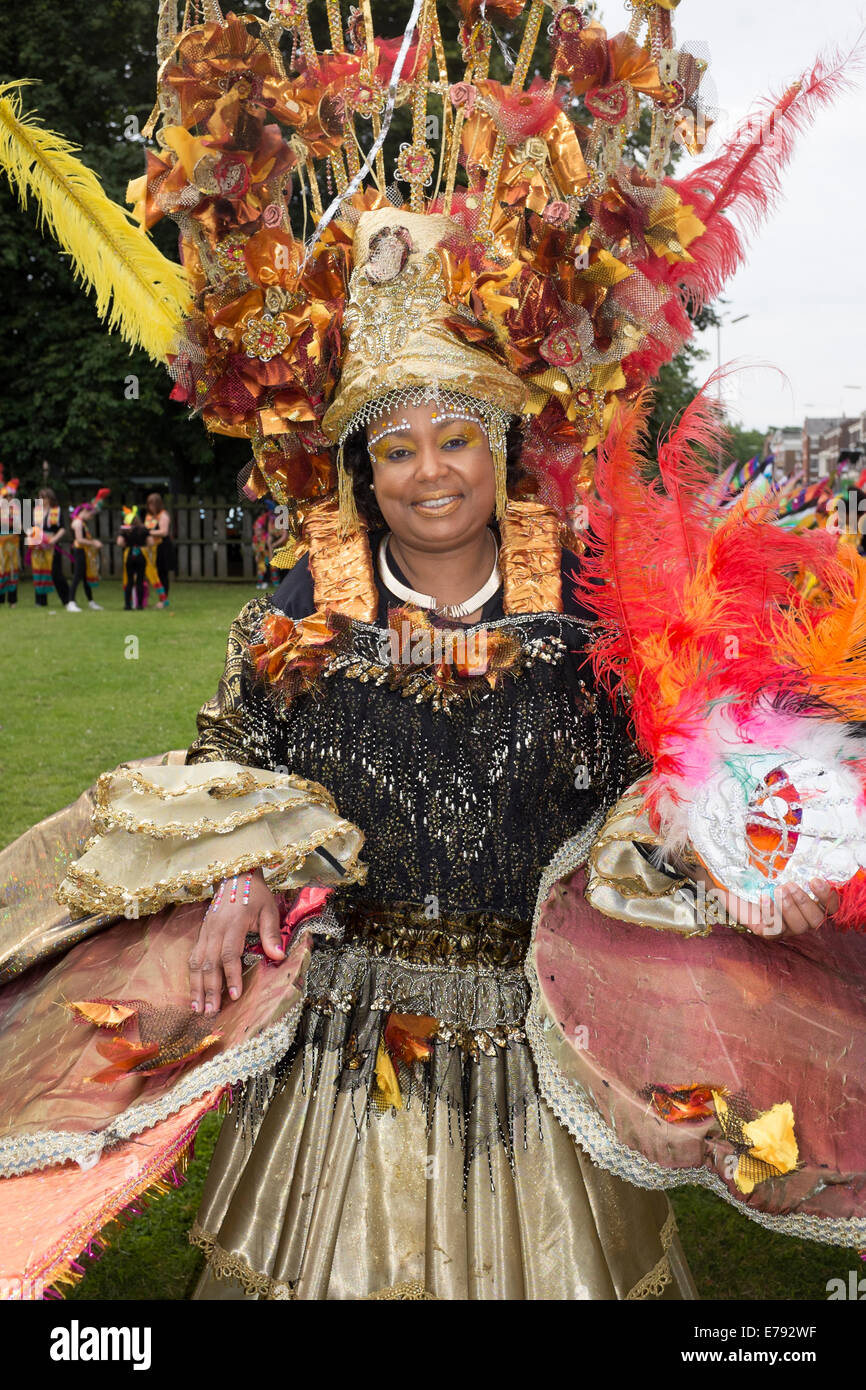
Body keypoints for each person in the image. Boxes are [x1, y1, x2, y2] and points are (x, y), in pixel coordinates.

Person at [0, 0, 864, 1303]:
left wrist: (759, 841)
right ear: (364, 466)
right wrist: (239, 872)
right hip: (349, 1053)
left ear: (498, 445)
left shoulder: (585, 622)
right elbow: (231, 760)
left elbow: (672, 776)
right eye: (395, 447)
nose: (427, 471)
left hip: (533, 1047)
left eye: (452, 436)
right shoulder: (299, 621)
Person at [25, 487, 70, 607]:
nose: (41, 500)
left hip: (51, 545)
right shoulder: (35, 511)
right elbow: (29, 528)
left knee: (56, 573)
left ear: (50, 498)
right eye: (40, 497)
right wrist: (33, 538)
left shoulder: (57, 511)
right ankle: (40, 601)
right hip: (38, 546)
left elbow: (63, 528)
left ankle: (67, 599)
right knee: (38, 572)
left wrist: (54, 540)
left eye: (44, 497)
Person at [67, 490, 109, 612]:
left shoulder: (82, 522)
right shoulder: (78, 523)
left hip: (84, 552)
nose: (92, 517)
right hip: (79, 551)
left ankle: (91, 601)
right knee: (77, 576)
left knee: (85, 577)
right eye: (91, 514)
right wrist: (93, 543)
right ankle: (71, 602)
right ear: (85, 511)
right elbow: (79, 540)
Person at [115, 506, 151, 611]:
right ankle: (140, 605)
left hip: (130, 555)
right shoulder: (144, 529)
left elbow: (119, 542)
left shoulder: (125, 530)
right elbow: (151, 542)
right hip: (141, 555)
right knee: (140, 580)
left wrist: (127, 543)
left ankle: (127, 605)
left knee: (129, 580)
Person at [144, 493, 174, 608]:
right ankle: (158, 598)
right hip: (153, 548)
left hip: (163, 548)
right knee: (155, 573)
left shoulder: (163, 515)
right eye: (149, 504)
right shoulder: (150, 517)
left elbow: (163, 531)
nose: (151, 507)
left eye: (153, 504)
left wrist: (147, 532)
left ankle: (164, 600)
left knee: (162, 573)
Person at [0, 471, 21, 607]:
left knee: (13, 568)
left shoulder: (16, 508)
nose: (8, 498)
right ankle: (1, 599)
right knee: (1, 569)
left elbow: (19, 526)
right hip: (1, 543)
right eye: (6, 496)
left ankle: (12, 601)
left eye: (10, 496)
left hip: (13, 542)